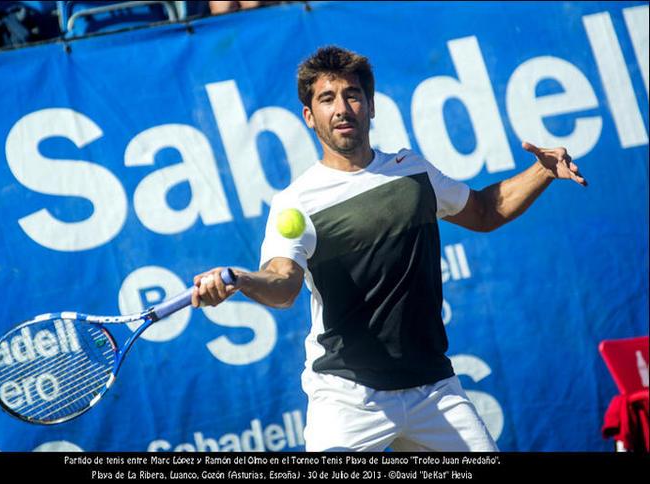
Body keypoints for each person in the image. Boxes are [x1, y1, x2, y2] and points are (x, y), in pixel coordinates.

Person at [191, 45, 587, 452]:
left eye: (352, 95)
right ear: (309, 117)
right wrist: (239, 279)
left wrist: (542, 171)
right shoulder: (296, 203)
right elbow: (282, 283)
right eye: (327, 99)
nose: (342, 108)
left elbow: (485, 212)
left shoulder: (412, 171)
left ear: (371, 106)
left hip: (432, 387)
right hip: (348, 396)